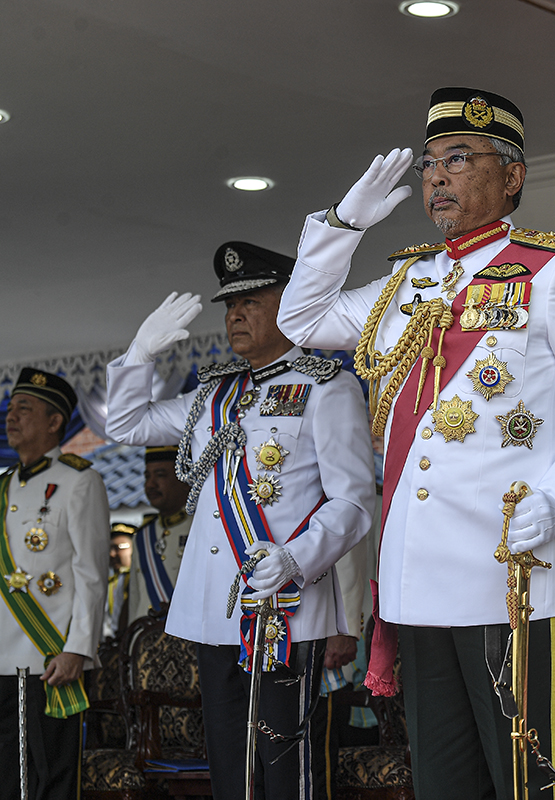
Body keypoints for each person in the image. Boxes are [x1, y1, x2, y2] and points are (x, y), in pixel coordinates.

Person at [274, 86, 555, 799]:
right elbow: (301, 318)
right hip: (421, 585)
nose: (437, 176)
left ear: (513, 177)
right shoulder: (408, 281)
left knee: (530, 782)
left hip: (516, 574)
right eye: (431, 162)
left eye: (460, 158)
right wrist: (344, 225)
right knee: (443, 782)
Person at [105, 242, 376, 800]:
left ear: (292, 304)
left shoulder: (328, 388)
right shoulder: (213, 395)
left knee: (283, 761)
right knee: (228, 761)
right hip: (212, 609)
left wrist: (296, 558)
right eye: (230, 305)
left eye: (252, 301)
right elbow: (127, 425)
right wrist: (139, 353)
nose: (235, 315)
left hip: (283, 605)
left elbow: (354, 504)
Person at [1, 369, 109, 800]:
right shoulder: (4, 485)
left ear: (54, 422)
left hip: (49, 659)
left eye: (24, 409)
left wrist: (77, 650)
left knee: (51, 775)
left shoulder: (80, 481)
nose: (11, 417)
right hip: (2, 661)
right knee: (8, 775)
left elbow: (92, 574)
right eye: (10, 409)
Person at [126, 445, 193, 622]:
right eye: (147, 476)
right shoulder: (142, 536)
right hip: (146, 642)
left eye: (161, 475)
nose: (150, 484)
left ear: (185, 480)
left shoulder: (200, 529)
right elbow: (135, 601)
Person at [103, 522, 135, 638]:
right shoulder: (108, 582)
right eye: (109, 549)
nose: (112, 554)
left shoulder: (136, 579)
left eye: (119, 548)